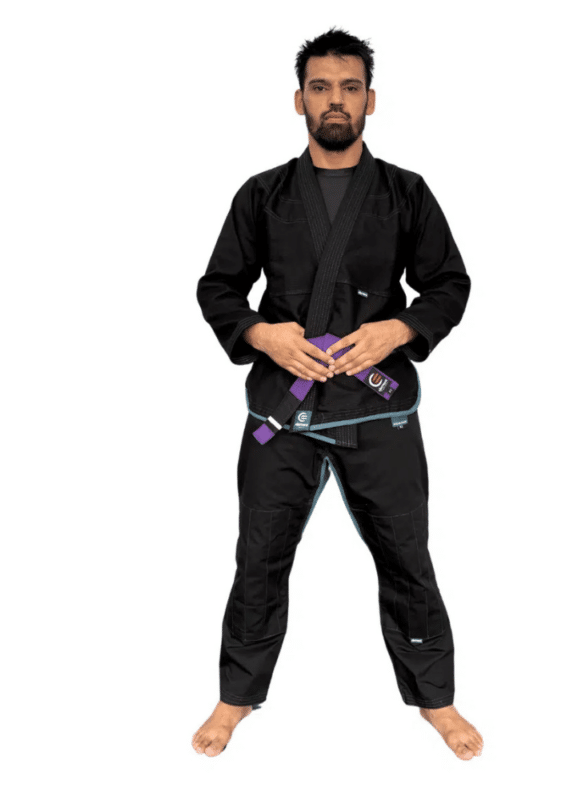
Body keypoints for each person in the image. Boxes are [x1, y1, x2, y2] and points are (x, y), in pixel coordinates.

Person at [191, 27, 484, 760]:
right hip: (282, 411)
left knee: (406, 554)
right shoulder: (262, 194)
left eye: (350, 87)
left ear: (370, 101)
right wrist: (263, 335)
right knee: (258, 557)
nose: (335, 100)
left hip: (378, 408)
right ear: (299, 100)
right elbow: (218, 288)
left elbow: (449, 285)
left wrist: (400, 329)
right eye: (320, 87)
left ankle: (437, 699)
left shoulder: (406, 193)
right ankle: (235, 697)